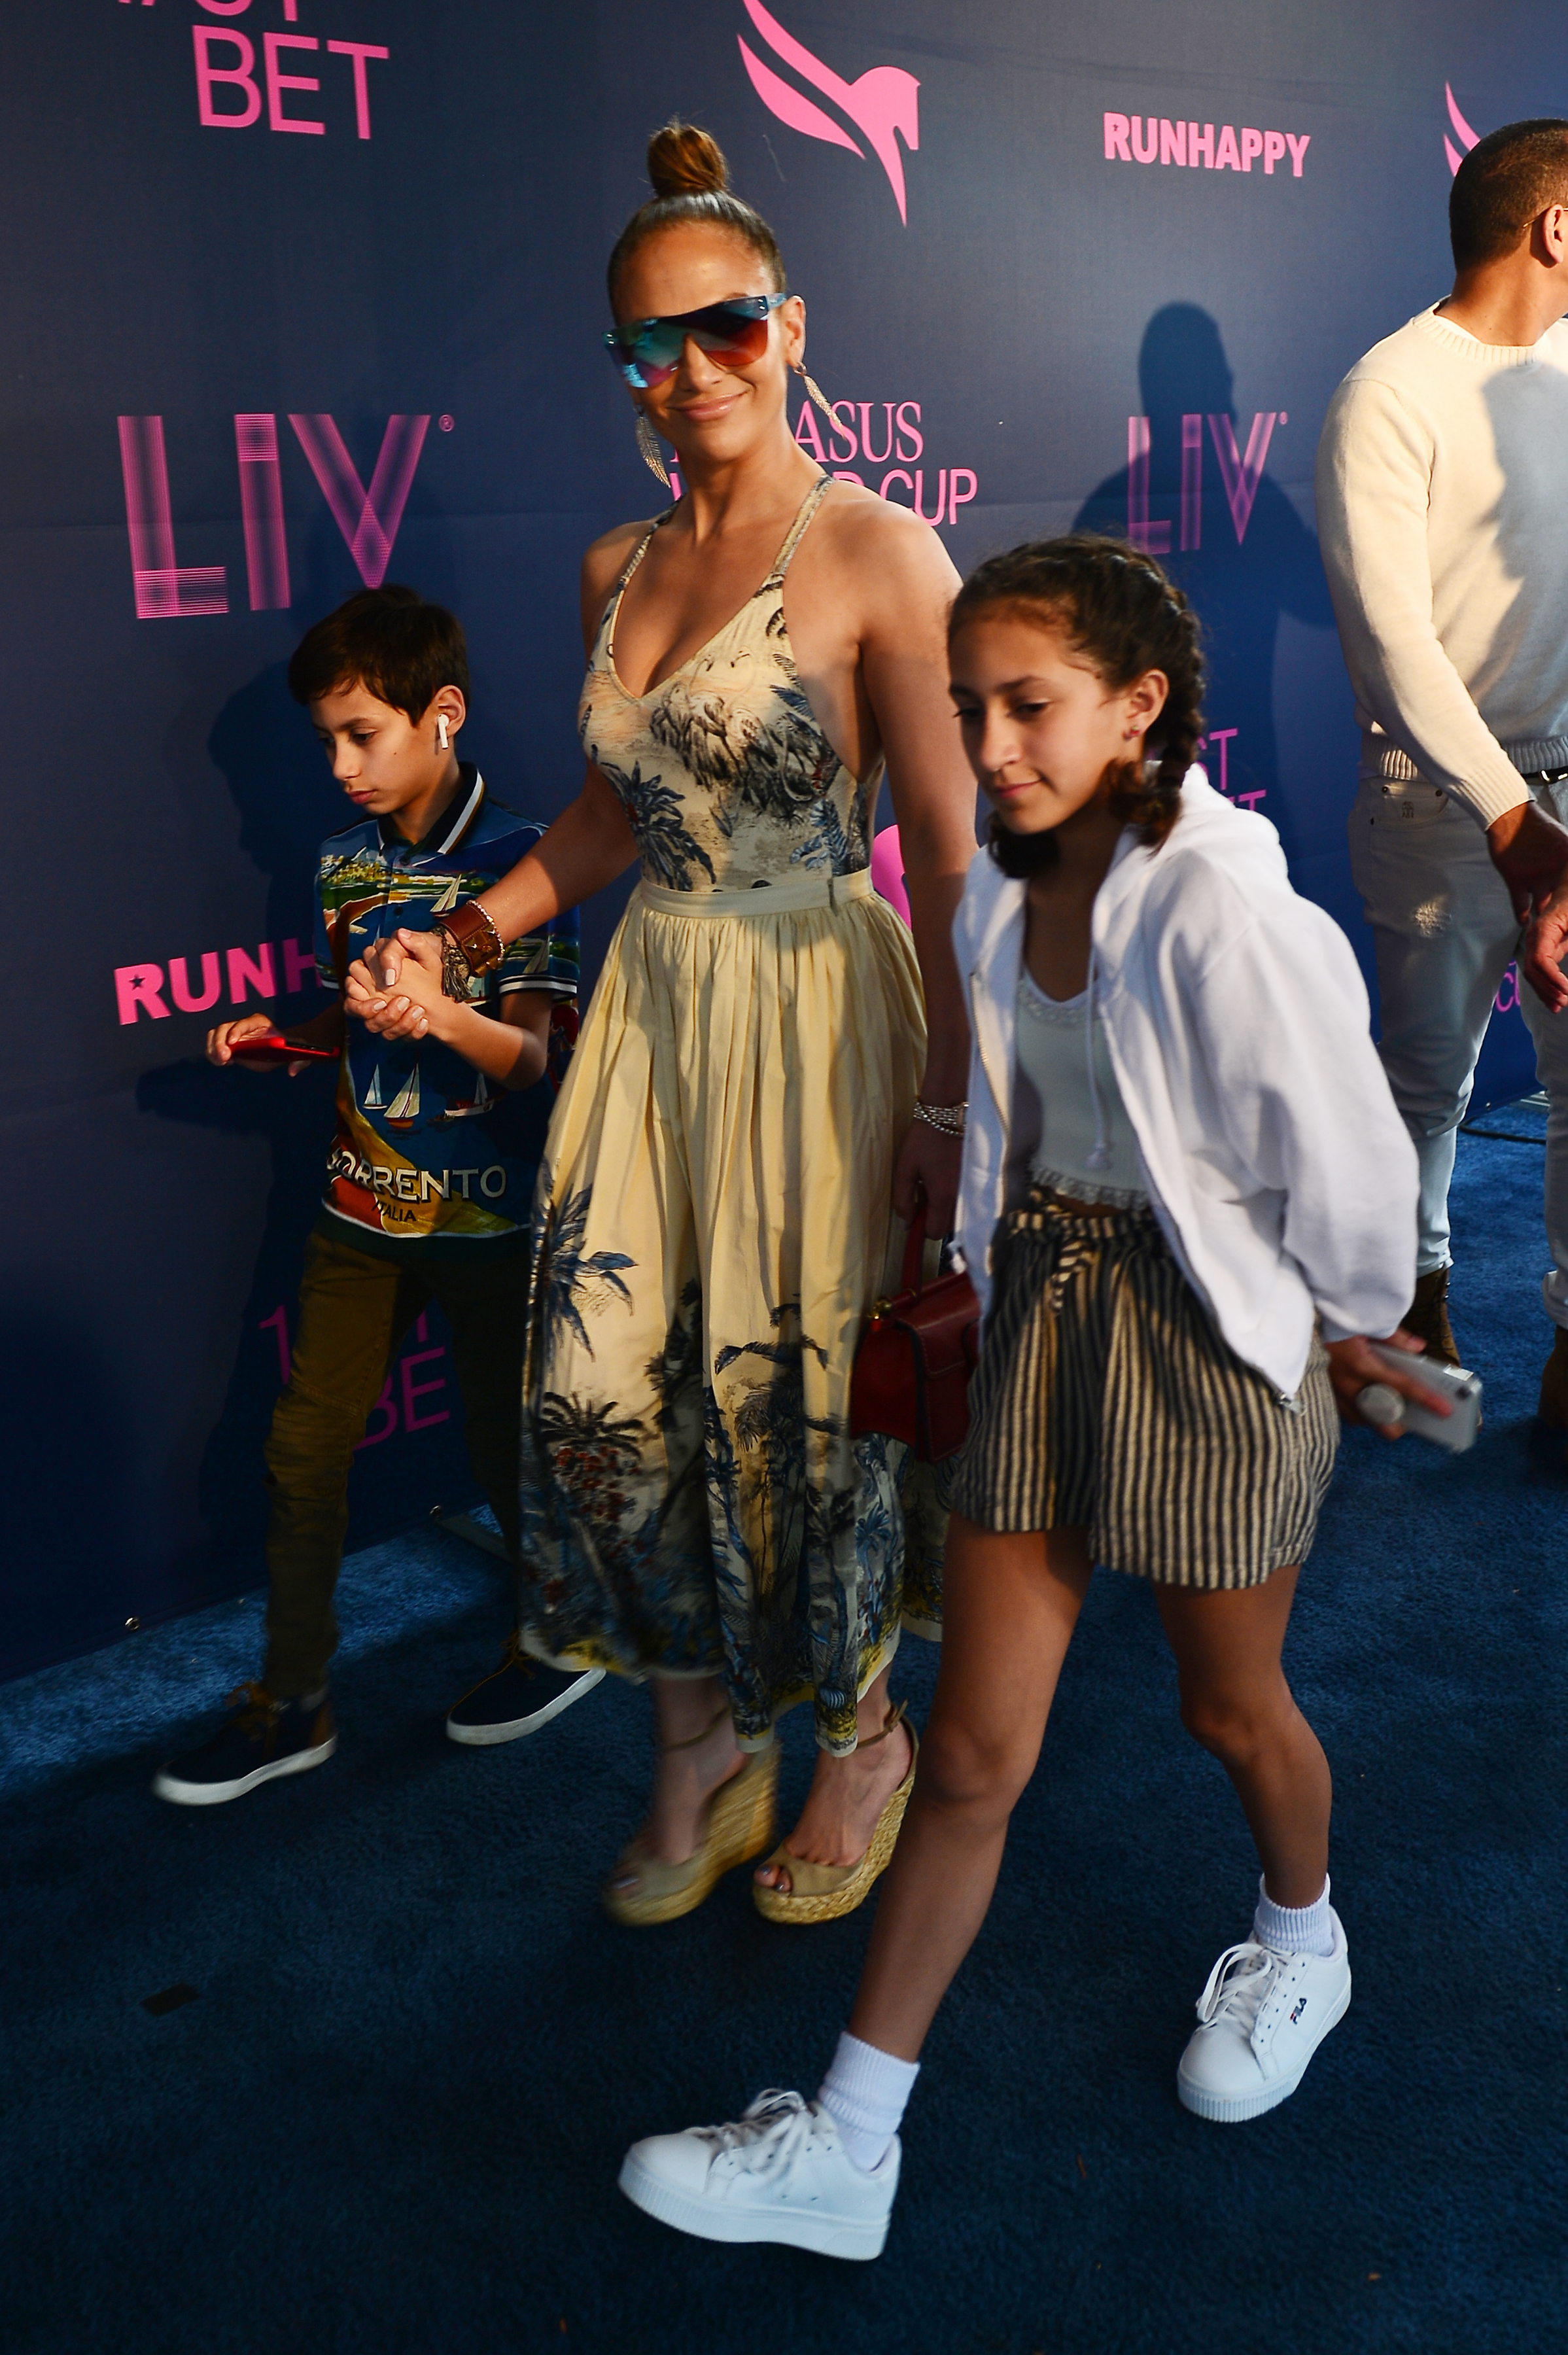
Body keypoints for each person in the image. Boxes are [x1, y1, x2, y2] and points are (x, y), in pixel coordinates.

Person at [614, 537, 1446, 2258]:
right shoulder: (990, 890)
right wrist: (999, 1301)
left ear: (1141, 709)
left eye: (1034, 706)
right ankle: (847, 2150)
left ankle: (1300, 1942)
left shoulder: (1225, 909)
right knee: (974, 1755)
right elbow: (1000, 1139)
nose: (991, 743)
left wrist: (1340, 1324)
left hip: (1215, 1346)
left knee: (1229, 1712)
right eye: (967, 705)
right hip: (1047, 1328)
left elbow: (1347, 1163)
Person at [349, 122, 977, 1923]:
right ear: (618, 360)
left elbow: (943, 861)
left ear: (788, 324)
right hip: (651, 1010)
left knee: (792, 1400)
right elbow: (613, 819)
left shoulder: (875, 548)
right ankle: (697, 1747)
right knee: (602, 1397)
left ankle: (854, 1733)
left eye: (725, 327)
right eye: (649, 340)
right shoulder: (610, 568)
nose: (690, 368)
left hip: (812, 1008)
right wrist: (470, 932)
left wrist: (941, 1109)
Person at [154, 586, 593, 1806]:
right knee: (300, 1455)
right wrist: (278, 1037)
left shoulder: (522, 860)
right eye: (326, 741)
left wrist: (446, 1013)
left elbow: (537, 1062)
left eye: (364, 734)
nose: (341, 765)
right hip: (358, 1220)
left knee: (510, 1459)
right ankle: (292, 1701)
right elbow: (358, 1032)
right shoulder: (340, 866)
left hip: (492, 1229)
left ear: (440, 715)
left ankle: (557, 1639)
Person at [1315, 117, 1568, 1380]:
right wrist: (1512, 820)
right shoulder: (1388, 392)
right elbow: (1391, 644)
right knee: (1427, 1089)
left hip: (1566, 805)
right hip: (1444, 812)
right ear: (1556, 229)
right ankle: (1412, 1307)